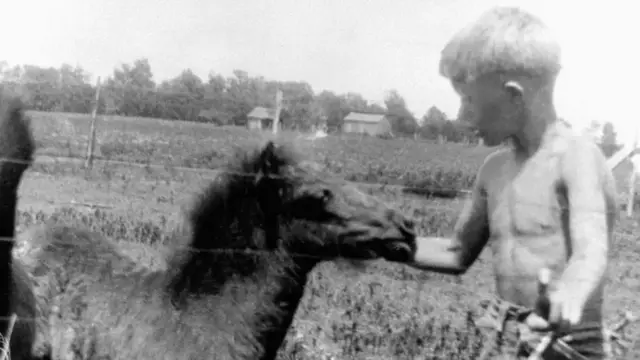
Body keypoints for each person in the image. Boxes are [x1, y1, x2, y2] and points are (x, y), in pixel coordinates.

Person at [409, 6, 617, 359]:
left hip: (569, 346)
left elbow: (590, 251)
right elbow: (456, 252)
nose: (461, 117)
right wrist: (381, 239)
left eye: (468, 99)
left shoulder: (576, 157)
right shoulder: (494, 168)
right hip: (510, 339)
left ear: (513, 95)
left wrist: (570, 292)